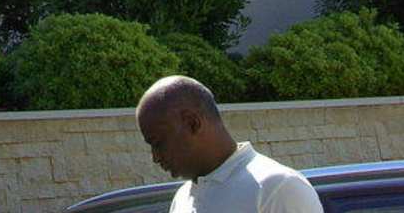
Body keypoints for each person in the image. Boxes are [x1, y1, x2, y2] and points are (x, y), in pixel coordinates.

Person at [136, 75, 322, 213]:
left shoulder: (277, 188)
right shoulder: (182, 198)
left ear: (193, 123)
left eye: (158, 143)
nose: (155, 157)